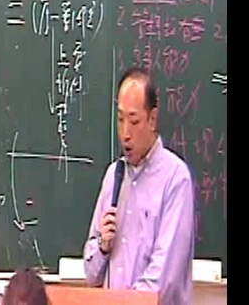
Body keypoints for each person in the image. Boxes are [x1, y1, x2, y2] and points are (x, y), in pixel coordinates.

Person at [83, 67, 194, 305]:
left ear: (152, 119)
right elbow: (91, 274)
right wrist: (103, 247)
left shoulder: (175, 179)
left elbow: (163, 281)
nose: (125, 133)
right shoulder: (114, 176)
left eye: (133, 121)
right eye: (120, 120)